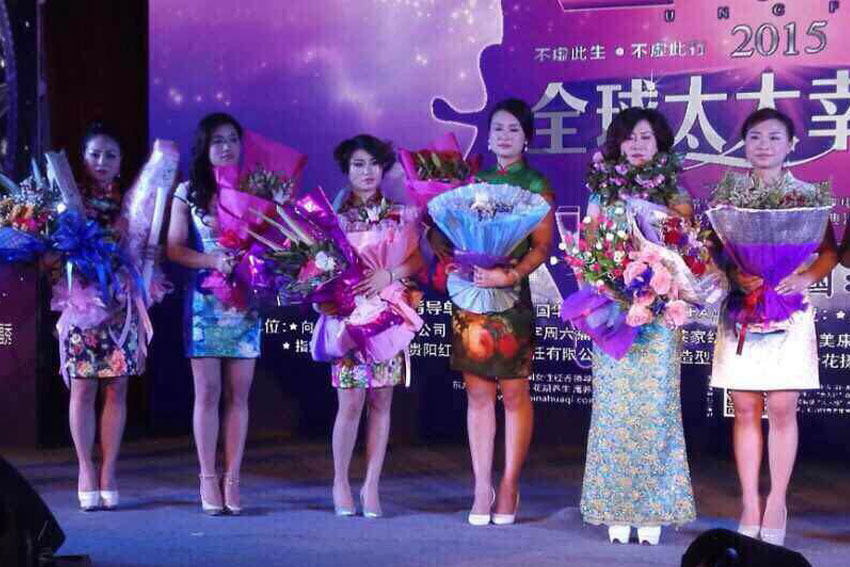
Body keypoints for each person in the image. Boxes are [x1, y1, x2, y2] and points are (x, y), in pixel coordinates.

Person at [710, 108, 838, 546]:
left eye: (774, 137)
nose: (764, 145)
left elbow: (829, 252)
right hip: (742, 309)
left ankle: (777, 501)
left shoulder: (806, 196)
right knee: (745, 409)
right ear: (744, 145)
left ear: (791, 145)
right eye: (755, 137)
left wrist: (805, 278)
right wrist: (734, 274)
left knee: (782, 409)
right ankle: (749, 502)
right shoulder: (727, 196)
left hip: (788, 308)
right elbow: (713, 250)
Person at [430, 98, 553, 526]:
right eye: (498, 128)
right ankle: (481, 486)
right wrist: (448, 254)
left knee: (515, 393)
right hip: (472, 294)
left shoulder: (536, 184)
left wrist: (510, 274)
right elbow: (441, 230)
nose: (504, 136)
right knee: (478, 393)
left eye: (514, 129)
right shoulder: (472, 181)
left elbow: (542, 247)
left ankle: (509, 484)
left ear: (527, 138)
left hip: (511, 297)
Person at [579, 107, 696, 545]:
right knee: (613, 411)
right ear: (617, 144)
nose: (637, 145)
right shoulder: (601, 194)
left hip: (661, 317)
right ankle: (614, 507)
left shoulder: (676, 194)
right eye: (629, 137)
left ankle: (654, 510)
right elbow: (589, 255)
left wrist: (660, 282)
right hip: (614, 313)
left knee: (656, 410)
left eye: (646, 137)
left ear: (660, 144)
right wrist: (607, 291)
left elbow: (687, 252)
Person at [319, 135, 424, 518]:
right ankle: (340, 483)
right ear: (346, 170)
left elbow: (416, 261)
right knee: (350, 403)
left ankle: (372, 485)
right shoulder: (331, 218)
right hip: (348, 319)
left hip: (387, 318)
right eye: (358, 164)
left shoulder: (400, 214)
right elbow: (316, 268)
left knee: (381, 402)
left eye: (374, 164)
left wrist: (389, 275)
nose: (367, 172)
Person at [166, 113, 261, 515]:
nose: (226, 147)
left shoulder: (256, 190)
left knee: (239, 395)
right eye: (218, 140)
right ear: (204, 147)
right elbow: (174, 248)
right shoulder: (187, 192)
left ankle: (233, 478)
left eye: (233, 139)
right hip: (205, 303)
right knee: (207, 392)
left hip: (245, 304)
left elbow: (273, 244)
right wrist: (212, 260)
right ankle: (207, 476)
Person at [60, 122, 139, 511]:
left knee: (116, 387)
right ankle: (85, 469)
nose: (102, 161)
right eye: (95, 154)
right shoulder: (67, 202)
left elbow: (144, 251)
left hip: (122, 305)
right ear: (83, 158)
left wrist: (143, 256)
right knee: (83, 387)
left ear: (121, 161)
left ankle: (109, 470)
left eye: (111, 155)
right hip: (82, 304)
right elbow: (52, 256)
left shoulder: (134, 203)